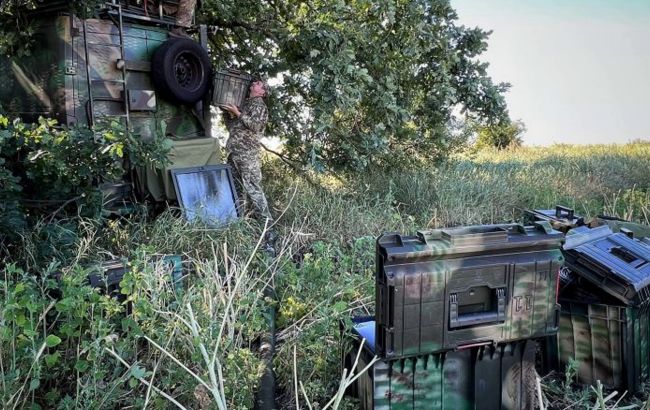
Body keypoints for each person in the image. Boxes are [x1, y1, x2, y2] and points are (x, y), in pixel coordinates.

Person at [221, 79, 273, 223]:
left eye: (259, 84)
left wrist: (237, 113)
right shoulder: (245, 104)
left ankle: (267, 226)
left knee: (253, 189)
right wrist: (226, 114)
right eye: (255, 82)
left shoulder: (260, 106)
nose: (254, 83)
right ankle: (240, 221)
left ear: (262, 92)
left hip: (248, 156)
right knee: (236, 188)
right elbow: (233, 128)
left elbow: (256, 126)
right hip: (234, 154)